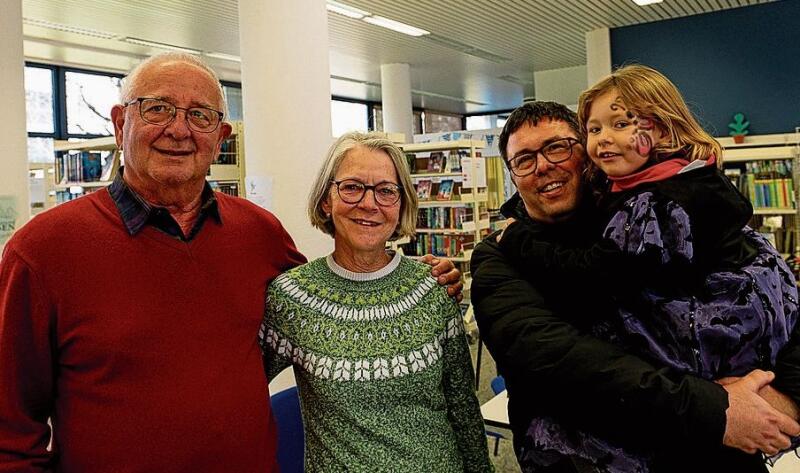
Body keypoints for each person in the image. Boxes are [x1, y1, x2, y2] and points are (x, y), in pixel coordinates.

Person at [0, 53, 461, 473]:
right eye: (158, 108)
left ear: (220, 137)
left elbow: (330, 300)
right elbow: (9, 430)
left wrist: (415, 283)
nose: (179, 130)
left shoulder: (259, 234)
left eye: (200, 116)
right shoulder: (42, 251)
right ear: (121, 123)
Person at [494, 65, 800, 470]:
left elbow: (784, 302)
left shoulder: (654, 206)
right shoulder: (498, 259)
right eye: (524, 159)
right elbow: (565, 362)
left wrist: (785, 399)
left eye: (558, 147)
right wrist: (718, 409)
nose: (544, 166)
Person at [259, 131, 494, 473]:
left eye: (386, 191)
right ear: (327, 200)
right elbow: (233, 386)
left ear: (401, 206)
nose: (369, 204)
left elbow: (464, 409)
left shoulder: (433, 289)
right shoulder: (292, 298)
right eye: (352, 187)